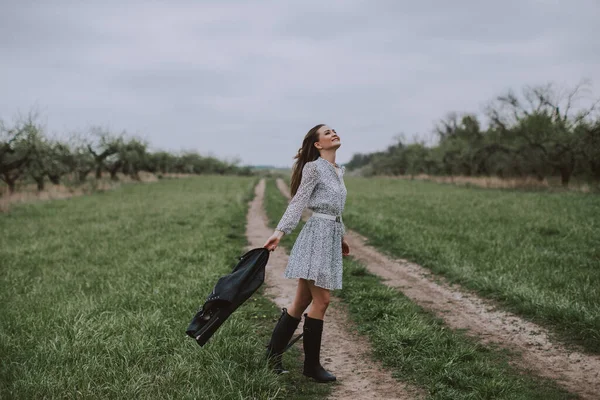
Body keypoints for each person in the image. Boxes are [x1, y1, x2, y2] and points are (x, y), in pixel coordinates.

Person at [262, 123, 350, 383]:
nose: (333, 133)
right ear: (318, 144)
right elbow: (298, 201)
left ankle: (272, 355)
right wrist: (279, 232)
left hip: (330, 235)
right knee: (322, 302)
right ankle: (311, 366)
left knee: (301, 302)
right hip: (317, 238)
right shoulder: (314, 169)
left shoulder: (336, 171)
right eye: (326, 133)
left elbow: (334, 208)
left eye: (334, 130)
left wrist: (342, 235)